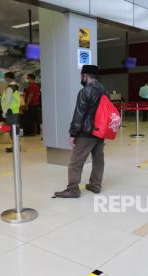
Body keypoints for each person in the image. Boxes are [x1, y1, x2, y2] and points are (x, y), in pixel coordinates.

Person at [54, 65, 108, 198]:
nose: (81, 78)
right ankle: (95, 185)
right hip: (100, 131)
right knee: (98, 159)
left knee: (76, 162)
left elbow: (79, 114)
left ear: (85, 76)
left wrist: (73, 133)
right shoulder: (103, 90)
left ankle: (73, 189)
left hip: (86, 133)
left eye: (81, 76)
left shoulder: (85, 91)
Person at [1, 72, 21, 153]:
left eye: (5, 77)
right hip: (14, 110)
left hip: (11, 111)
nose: (4, 79)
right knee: (14, 130)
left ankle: (15, 147)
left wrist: (4, 112)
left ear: (8, 78)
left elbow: (7, 100)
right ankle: (15, 146)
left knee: (12, 130)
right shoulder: (15, 86)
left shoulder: (10, 88)